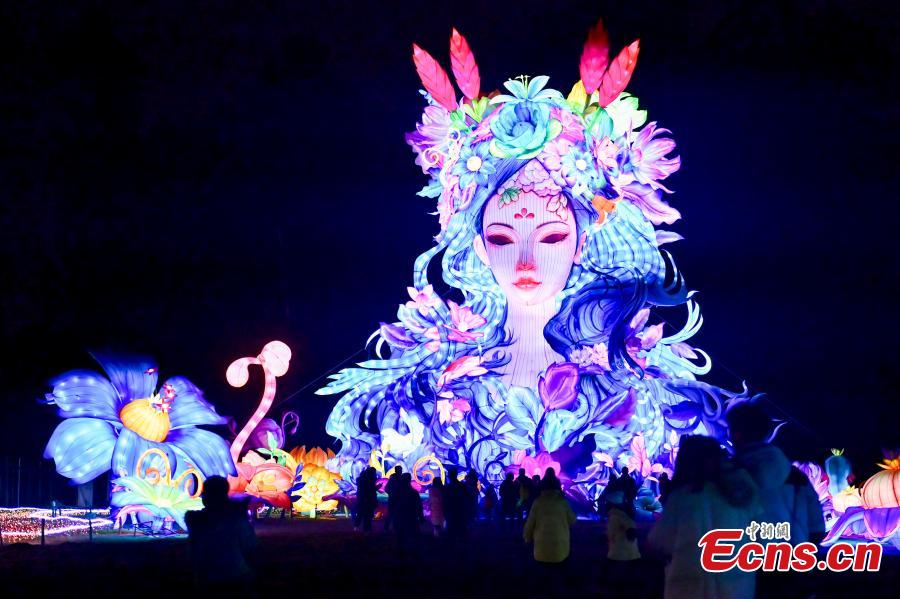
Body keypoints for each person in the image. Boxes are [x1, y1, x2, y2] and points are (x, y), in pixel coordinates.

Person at [649, 435, 761, 599]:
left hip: (690, 586)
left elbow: (661, 541)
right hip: (736, 586)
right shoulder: (739, 495)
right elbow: (758, 534)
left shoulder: (682, 497)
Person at [726, 401, 825, 544]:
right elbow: (817, 529)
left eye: (730, 429)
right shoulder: (797, 477)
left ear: (736, 434)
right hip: (788, 554)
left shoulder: (726, 475)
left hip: (742, 555)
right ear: (765, 433)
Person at [185, 476, 257, 593]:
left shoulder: (194, 519)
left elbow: (192, 551)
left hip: (208, 577)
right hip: (235, 573)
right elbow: (250, 546)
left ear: (205, 496)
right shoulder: (237, 518)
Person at [524, 470, 576, 564]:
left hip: (541, 551)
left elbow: (530, 523)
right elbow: (572, 520)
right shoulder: (562, 502)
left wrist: (527, 537)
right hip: (560, 551)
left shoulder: (538, 502)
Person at [393, 472, 424, 557]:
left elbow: (392, 504)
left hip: (400, 517)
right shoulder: (414, 493)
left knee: (400, 536)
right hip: (411, 517)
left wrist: (392, 516)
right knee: (413, 535)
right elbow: (418, 506)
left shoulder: (397, 492)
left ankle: (401, 554)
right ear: (409, 480)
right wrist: (421, 517)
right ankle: (414, 554)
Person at [443, 467, 469, 546]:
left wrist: (445, 513)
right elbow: (466, 498)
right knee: (461, 532)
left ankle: (452, 547)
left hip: (451, 512)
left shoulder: (448, 487)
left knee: (452, 533)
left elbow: (445, 501)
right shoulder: (462, 486)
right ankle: (462, 548)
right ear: (456, 475)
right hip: (461, 511)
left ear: (449, 476)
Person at [356, 466, 379, 533]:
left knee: (363, 514)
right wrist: (376, 488)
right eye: (374, 473)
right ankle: (366, 529)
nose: (375, 474)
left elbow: (367, 490)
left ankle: (361, 527)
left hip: (364, 499)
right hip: (367, 500)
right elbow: (368, 490)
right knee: (367, 515)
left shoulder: (363, 480)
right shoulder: (367, 480)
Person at [384, 465, 403, 532]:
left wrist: (391, 493)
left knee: (391, 513)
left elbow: (386, 489)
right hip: (396, 499)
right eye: (400, 470)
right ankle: (393, 528)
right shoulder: (399, 479)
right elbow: (386, 488)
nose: (401, 471)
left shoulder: (393, 478)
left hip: (393, 498)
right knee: (394, 514)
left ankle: (388, 528)